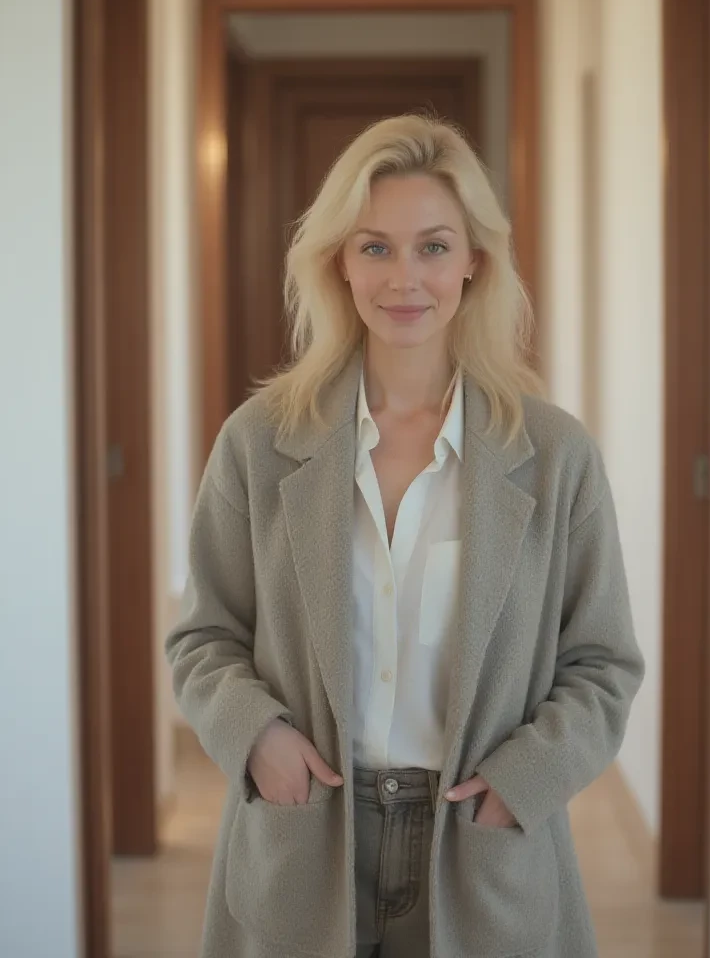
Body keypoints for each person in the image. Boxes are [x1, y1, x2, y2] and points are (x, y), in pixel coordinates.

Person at [166, 113, 644, 958]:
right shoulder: (258, 442)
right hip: (307, 831)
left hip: (481, 839)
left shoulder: (556, 455)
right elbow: (203, 637)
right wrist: (258, 738)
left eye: (433, 247)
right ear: (339, 263)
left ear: (474, 260)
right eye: (376, 247)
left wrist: (522, 782)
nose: (404, 278)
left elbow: (603, 664)